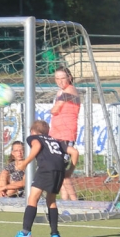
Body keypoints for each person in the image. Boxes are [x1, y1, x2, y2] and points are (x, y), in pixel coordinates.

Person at [8, 120, 66, 237]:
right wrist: (70, 170)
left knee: (33, 198)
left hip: (46, 169)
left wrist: (25, 162)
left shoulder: (34, 138)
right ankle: (55, 235)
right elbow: (74, 152)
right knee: (51, 201)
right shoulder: (55, 141)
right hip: (59, 170)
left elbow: (37, 145)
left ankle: (25, 234)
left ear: (32, 131)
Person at [49, 66, 80, 201]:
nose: (60, 81)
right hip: (56, 133)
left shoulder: (70, 90)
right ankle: (65, 200)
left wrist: (53, 108)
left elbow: (55, 109)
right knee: (58, 171)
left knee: (62, 170)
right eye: (57, 78)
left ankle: (74, 201)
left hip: (66, 134)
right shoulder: (60, 92)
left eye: (63, 78)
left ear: (69, 77)